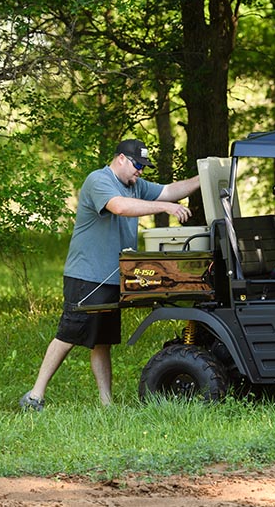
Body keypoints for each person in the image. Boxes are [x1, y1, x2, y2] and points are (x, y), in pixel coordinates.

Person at [20, 138, 200, 410]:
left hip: (113, 277)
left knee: (102, 340)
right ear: (121, 159)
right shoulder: (99, 180)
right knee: (68, 334)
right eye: (138, 165)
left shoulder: (135, 185)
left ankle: (106, 404)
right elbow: (121, 207)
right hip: (87, 276)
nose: (140, 171)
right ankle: (35, 396)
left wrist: (206, 176)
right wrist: (165, 208)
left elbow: (170, 190)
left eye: (143, 167)